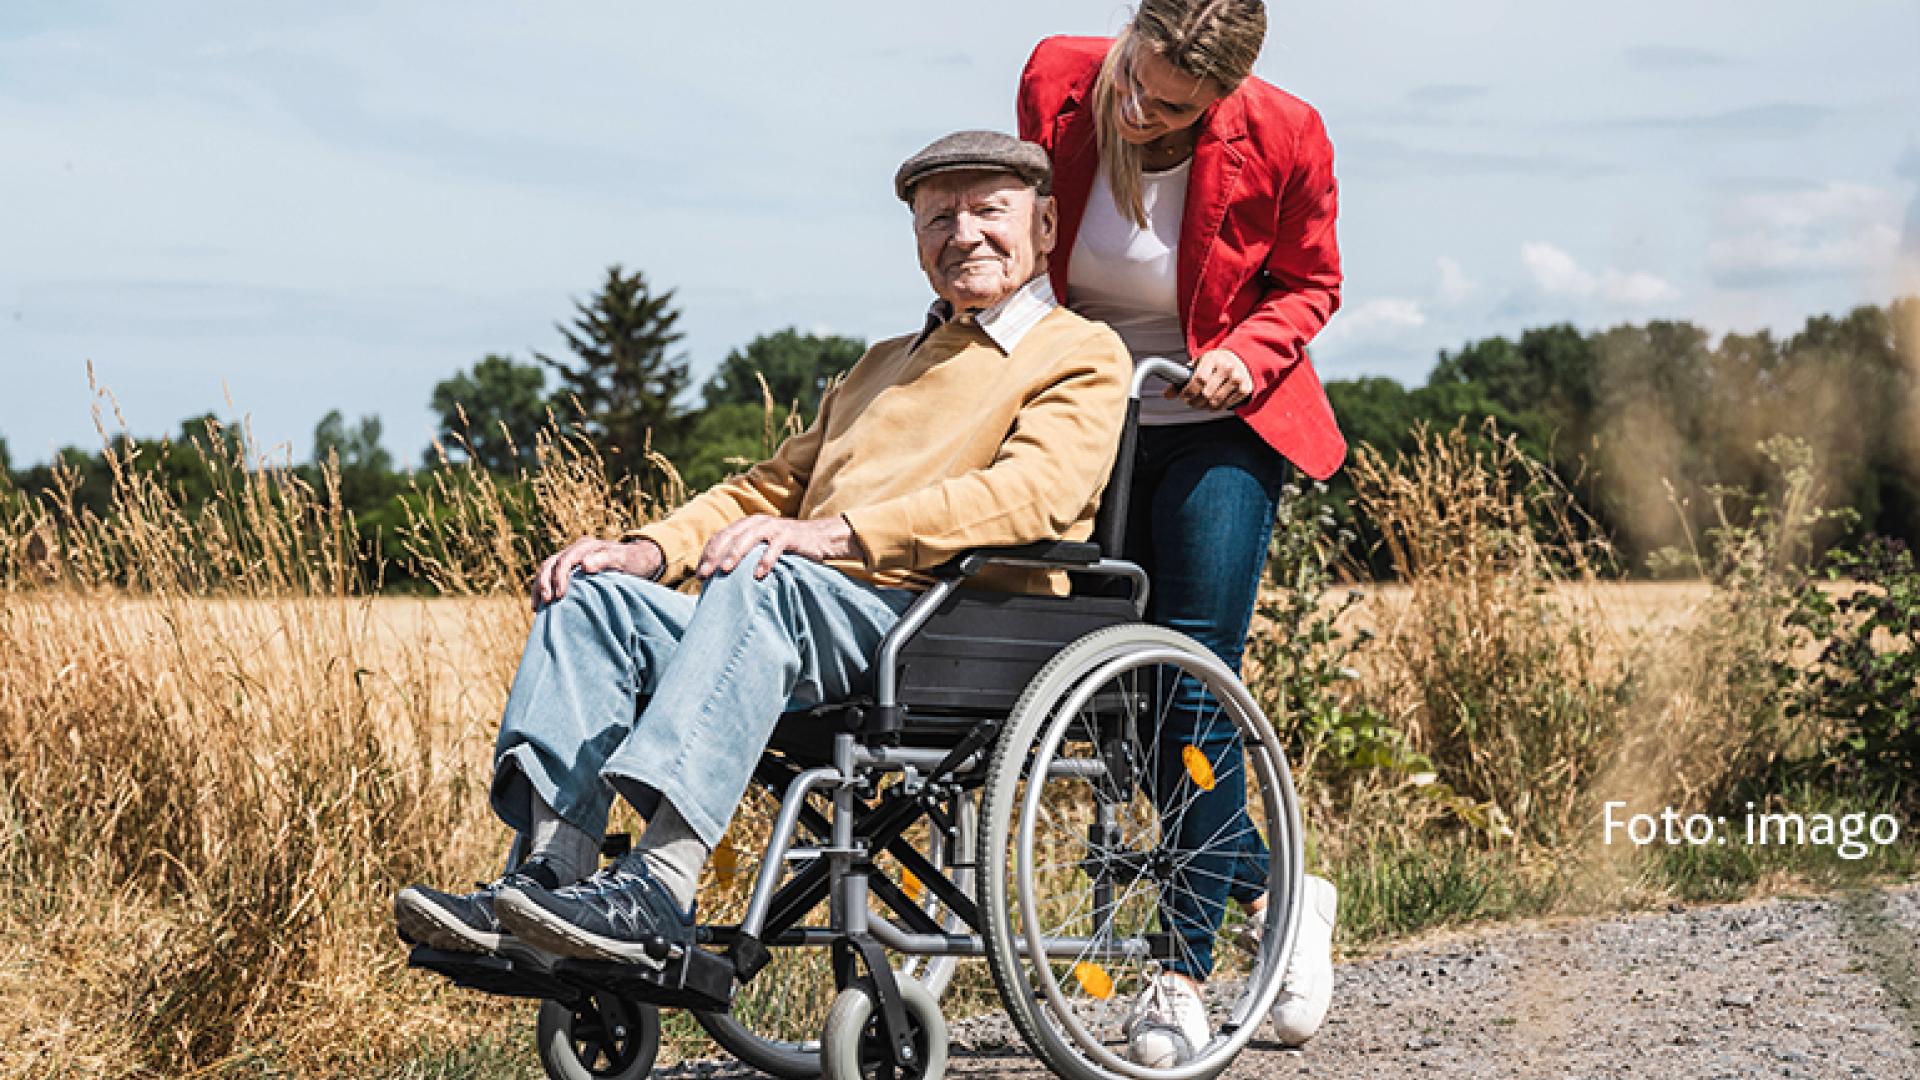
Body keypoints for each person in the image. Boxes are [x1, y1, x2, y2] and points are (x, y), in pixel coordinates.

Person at [393, 130, 1131, 969]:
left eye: (988, 211)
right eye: (939, 219)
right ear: (917, 242)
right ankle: (548, 885)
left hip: (946, 623)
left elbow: (1035, 494)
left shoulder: (1080, 351)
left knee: (764, 572)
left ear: (1044, 226)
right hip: (799, 612)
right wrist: (646, 550)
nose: (963, 234)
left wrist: (832, 535)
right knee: (590, 598)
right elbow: (768, 490)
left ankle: (657, 887)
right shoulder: (881, 364)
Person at [1015, 0, 1344, 1064]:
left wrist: (1249, 348)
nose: (1141, 112)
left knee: (1193, 684)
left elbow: (1309, 284)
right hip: (1085, 420)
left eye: (1172, 107)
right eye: (1135, 83)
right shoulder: (1058, 79)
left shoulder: (1287, 134)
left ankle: (1176, 975)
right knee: (1112, 696)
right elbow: (1026, 244)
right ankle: (1282, 891)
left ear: (1223, 97)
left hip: (1217, 424)